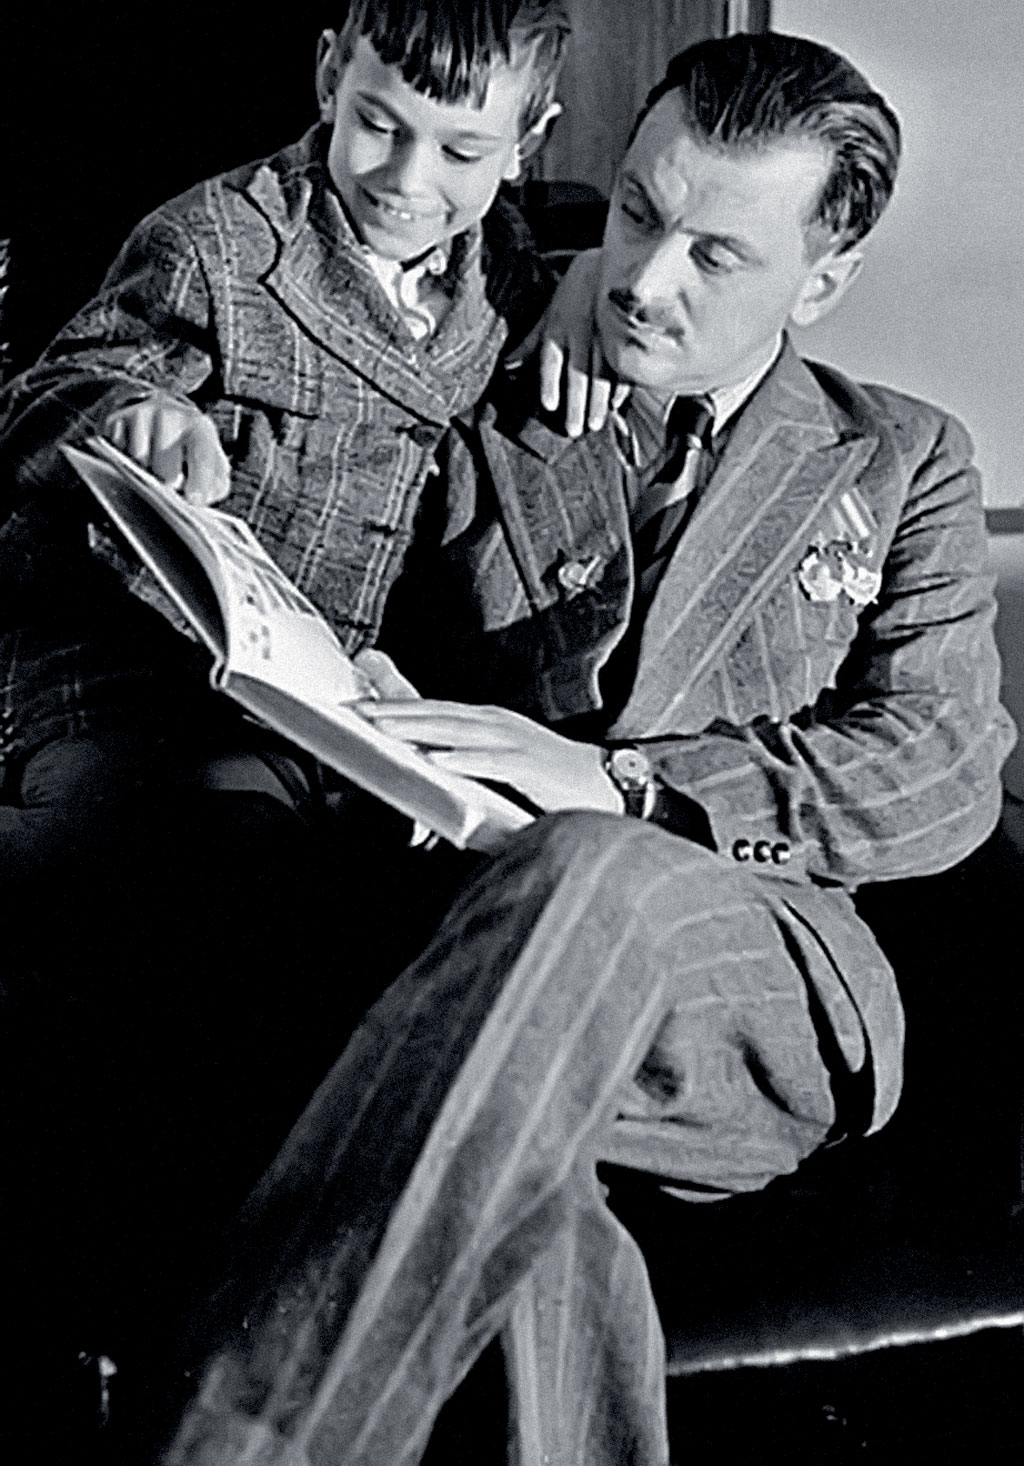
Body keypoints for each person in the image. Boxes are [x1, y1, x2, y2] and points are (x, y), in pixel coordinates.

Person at [154, 30, 1015, 1466]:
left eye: (715, 255)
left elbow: (938, 771)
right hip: (474, 952)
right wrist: (359, 687)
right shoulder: (474, 390)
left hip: (746, 984)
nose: (647, 279)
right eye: (635, 214)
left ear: (823, 281)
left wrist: (621, 784)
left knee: (591, 869)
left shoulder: (903, 459)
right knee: (528, 1197)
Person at [0, 4, 573, 1452]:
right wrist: (134, 415)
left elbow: (564, 284)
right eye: (376, 121)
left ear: (528, 145)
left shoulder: (508, 271)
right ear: (329, 75)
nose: (405, 178)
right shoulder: (217, 242)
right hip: (124, 666)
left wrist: (573, 310)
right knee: (173, 883)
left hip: (326, 702)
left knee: (403, 932)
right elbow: (50, 389)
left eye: (461, 150)